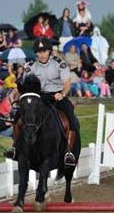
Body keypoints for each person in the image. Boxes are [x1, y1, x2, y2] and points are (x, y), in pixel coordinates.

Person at [5, 37, 79, 166]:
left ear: (49, 51)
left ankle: (68, 152)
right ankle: (15, 148)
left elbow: (67, 83)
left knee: (73, 120)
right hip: (38, 97)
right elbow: (27, 84)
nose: (42, 54)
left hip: (56, 95)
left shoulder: (59, 63)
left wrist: (62, 94)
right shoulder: (30, 66)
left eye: (44, 51)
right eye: (39, 52)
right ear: (36, 53)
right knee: (17, 117)